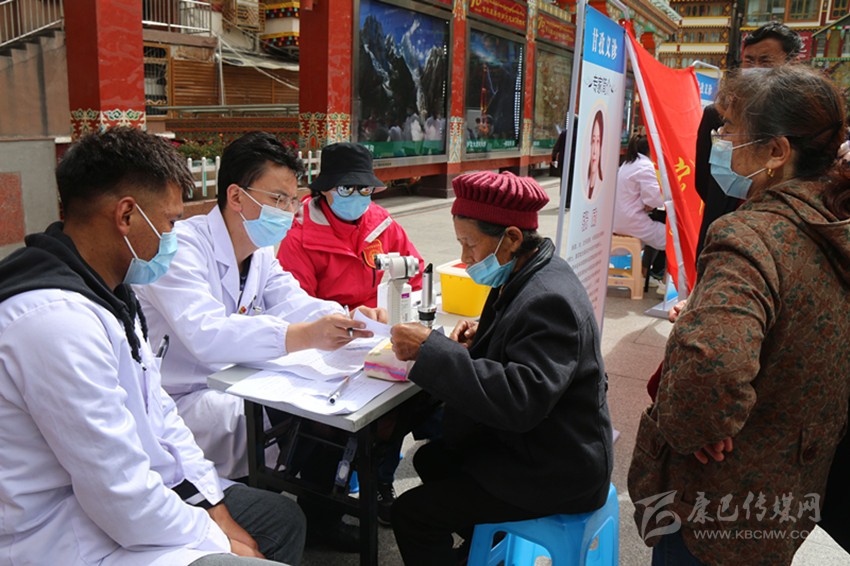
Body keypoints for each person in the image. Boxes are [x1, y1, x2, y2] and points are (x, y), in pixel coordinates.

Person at [0, 127, 305, 565]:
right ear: (126, 215)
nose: (172, 236)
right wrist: (217, 538)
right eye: (170, 222)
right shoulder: (54, 324)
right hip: (67, 537)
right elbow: (120, 495)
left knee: (281, 520)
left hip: (134, 498)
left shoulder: (111, 294)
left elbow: (159, 414)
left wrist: (214, 506)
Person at [629, 65, 850, 565]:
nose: (719, 140)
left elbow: (710, 372)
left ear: (777, 151)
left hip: (715, 503)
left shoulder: (750, 236)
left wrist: (695, 424)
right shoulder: (834, 220)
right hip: (790, 489)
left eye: (730, 128)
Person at [136, 132, 384, 550]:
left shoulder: (260, 251)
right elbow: (206, 334)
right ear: (237, 196)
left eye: (292, 200)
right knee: (295, 420)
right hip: (184, 397)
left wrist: (347, 318)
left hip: (236, 378)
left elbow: (292, 301)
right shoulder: (183, 249)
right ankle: (268, 509)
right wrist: (302, 335)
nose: (287, 211)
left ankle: (318, 512)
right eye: (277, 199)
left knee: (332, 406)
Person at [389, 170, 614, 565]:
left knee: (411, 514)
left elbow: (520, 401)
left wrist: (431, 350)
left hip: (558, 467)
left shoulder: (549, 299)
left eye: (470, 244)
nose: (464, 259)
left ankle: (478, 546)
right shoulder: (529, 271)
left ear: (511, 238)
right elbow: (525, 345)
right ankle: (482, 547)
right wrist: (487, 336)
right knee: (430, 459)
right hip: (539, 444)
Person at [277, 142, 424, 525]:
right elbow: (294, 303)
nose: (358, 197)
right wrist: (347, 316)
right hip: (326, 349)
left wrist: (394, 303)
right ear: (324, 189)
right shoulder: (299, 237)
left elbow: (414, 271)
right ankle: (321, 511)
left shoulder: (381, 224)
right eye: (347, 188)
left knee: (403, 405)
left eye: (365, 188)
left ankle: (380, 482)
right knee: (328, 424)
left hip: (379, 340)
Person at [694, 22, 803, 259]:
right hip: (719, 231)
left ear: (792, 64)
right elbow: (703, 181)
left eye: (765, 61)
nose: (754, 69)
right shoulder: (718, 114)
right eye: (749, 61)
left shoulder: (802, 123)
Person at [613, 134, 666, 283]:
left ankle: (648, 272)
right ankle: (664, 280)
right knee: (673, 238)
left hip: (620, 219)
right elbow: (655, 198)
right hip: (631, 221)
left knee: (657, 232)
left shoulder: (628, 164)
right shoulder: (645, 166)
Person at [586, 110, 604, 199]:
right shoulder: (583, 184)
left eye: (598, 142)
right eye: (593, 141)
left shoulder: (603, 186)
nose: (594, 151)